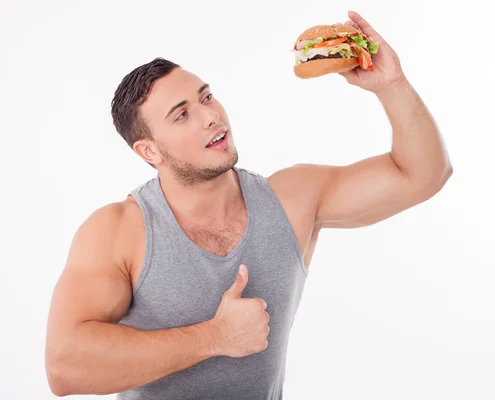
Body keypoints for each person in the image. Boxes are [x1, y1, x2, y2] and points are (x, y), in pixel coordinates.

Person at [45, 11, 452, 399]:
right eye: (182, 115)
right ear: (149, 150)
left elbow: (423, 174)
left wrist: (392, 85)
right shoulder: (117, 230)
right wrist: (214, 338)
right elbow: (65, 366)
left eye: (206, 97)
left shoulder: (291, 198)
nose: (209, 116)